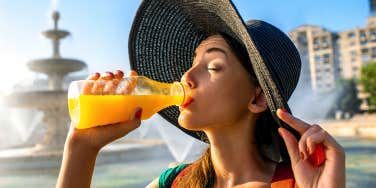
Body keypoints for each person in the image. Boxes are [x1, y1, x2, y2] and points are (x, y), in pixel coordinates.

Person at [56, 0, 345, 187]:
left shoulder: (298, 183)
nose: (187, 76)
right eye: (193, 63)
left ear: (257, 98)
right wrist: (81, 149)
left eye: (214, 66)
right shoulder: (173, 182)